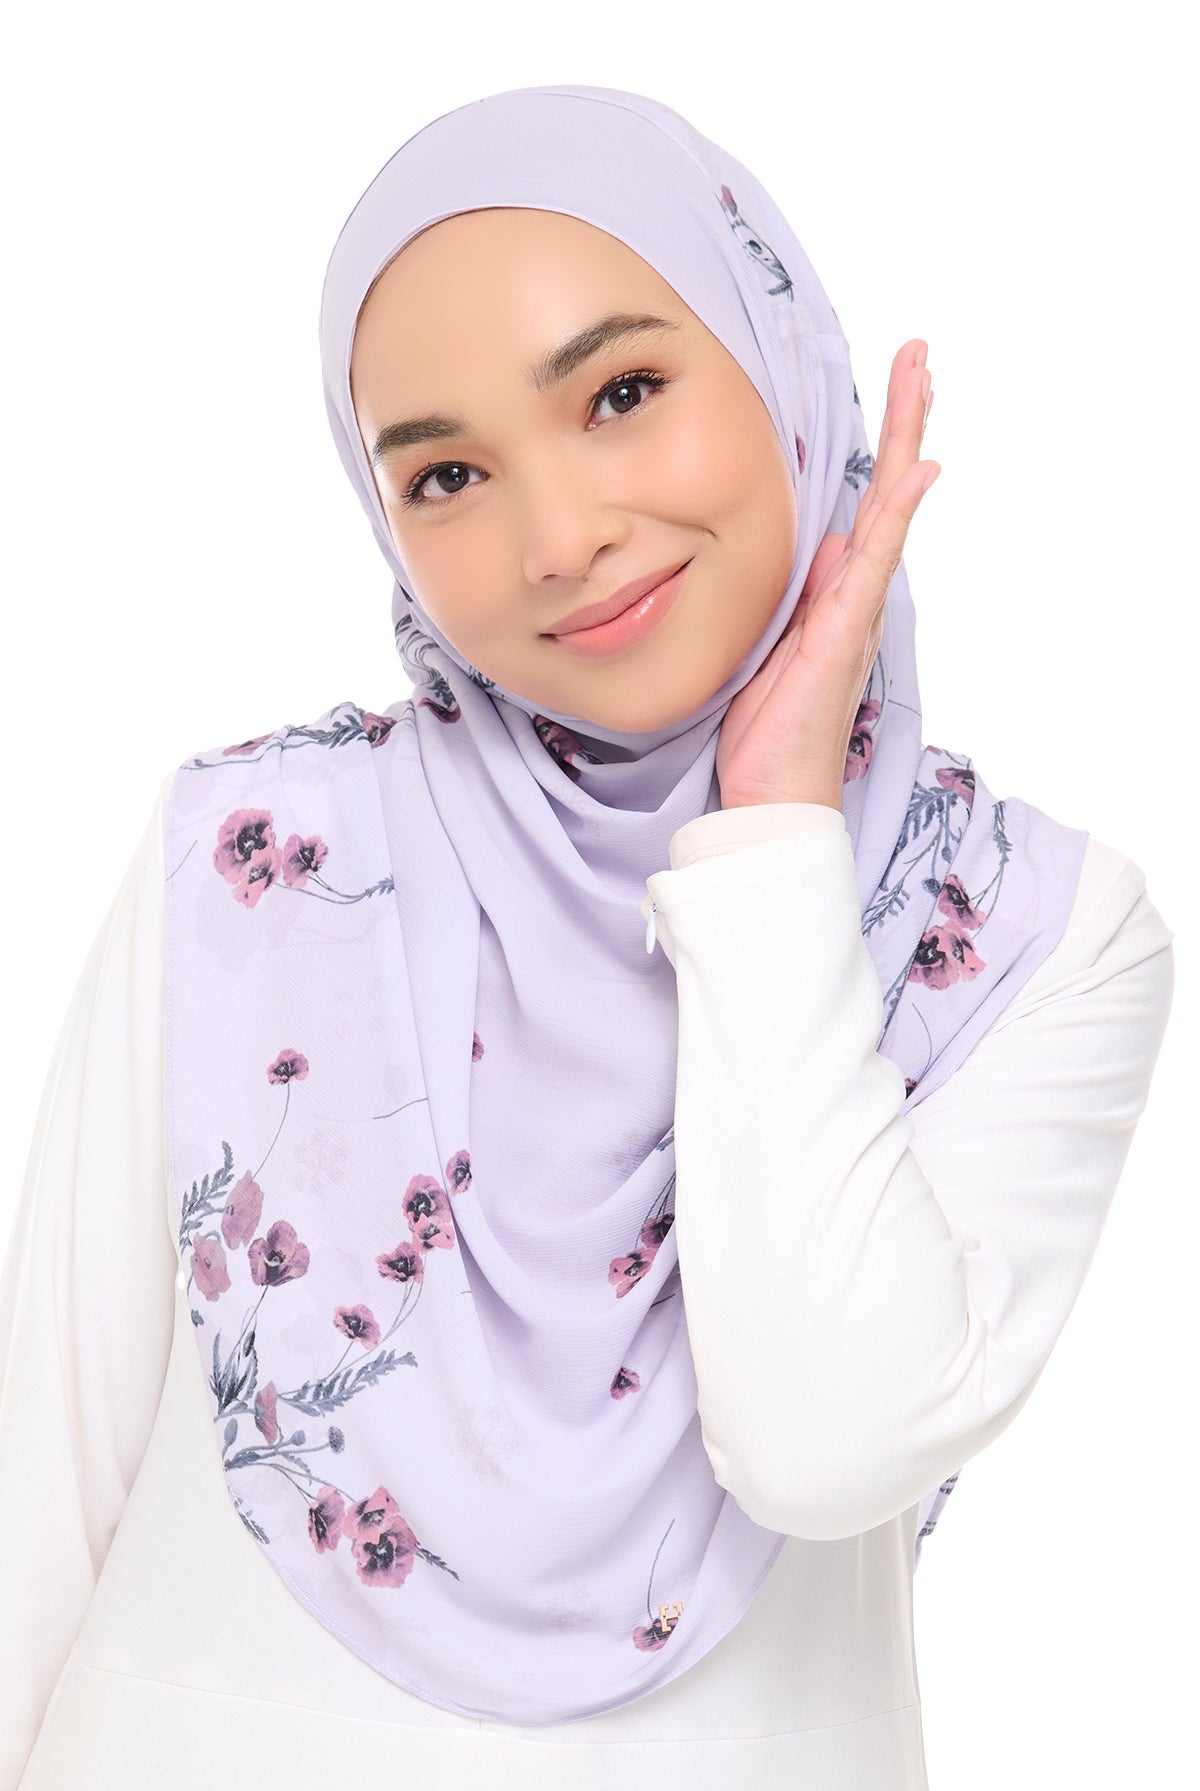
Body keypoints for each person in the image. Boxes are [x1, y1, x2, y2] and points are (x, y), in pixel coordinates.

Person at [0, 83, 1174, 1790]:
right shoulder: (255, 858)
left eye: (620, 394)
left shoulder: (1023, 932)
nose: (559, 542)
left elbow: (824, 1441)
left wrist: (774, 832)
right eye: (448, 475)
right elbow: (40, 1487)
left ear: (777, 355)